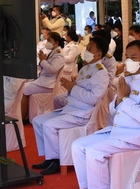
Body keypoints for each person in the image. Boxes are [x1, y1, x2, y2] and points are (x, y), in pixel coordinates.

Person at [70, 40, 140, 189]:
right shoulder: (125, 79)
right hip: (116, 131)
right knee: (77, 145)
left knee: (94, 151)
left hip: (133, 136)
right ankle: (92, 188)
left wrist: (124, 98)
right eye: (127, 56)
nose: (128, 61)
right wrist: (119, 98)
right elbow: (112, 110)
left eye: (133, 57)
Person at [31, 36, 111, 175]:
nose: (86, 51)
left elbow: (93, 98)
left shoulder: (101, 73)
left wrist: (73, 88)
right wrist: (70, 88)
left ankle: (56, 160)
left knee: (49, 125)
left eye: (89, 49)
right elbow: (76, 89)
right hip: (71, 108)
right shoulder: (86, 68)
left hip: (82, 113)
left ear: (98, 55)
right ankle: (49, 157)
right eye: (87, 48)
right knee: (37, 121)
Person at [21, 31, 66, 122]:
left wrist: (43, 60)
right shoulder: (53, 52)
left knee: (24, 89)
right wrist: (43, 60)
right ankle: (26, 115)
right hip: (44, 81)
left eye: (49, 40)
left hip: (48, 84)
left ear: (56, 42)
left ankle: (22, 117)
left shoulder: (59, 55)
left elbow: (52, 69)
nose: (47, 42)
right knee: (25, 84)